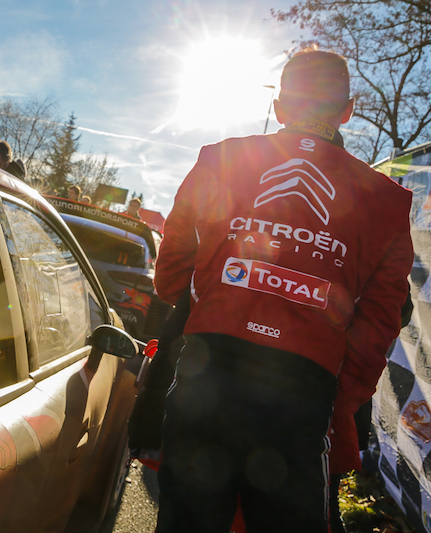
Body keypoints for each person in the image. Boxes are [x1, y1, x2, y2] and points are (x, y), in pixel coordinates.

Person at [153, 48, 413, 533]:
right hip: (301, 392)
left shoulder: (222, 159)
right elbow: (380, 323)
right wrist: (338, 397)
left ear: (278, 108)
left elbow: (172, 268)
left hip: (207, 374)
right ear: (348, 110)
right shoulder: (388, 200)